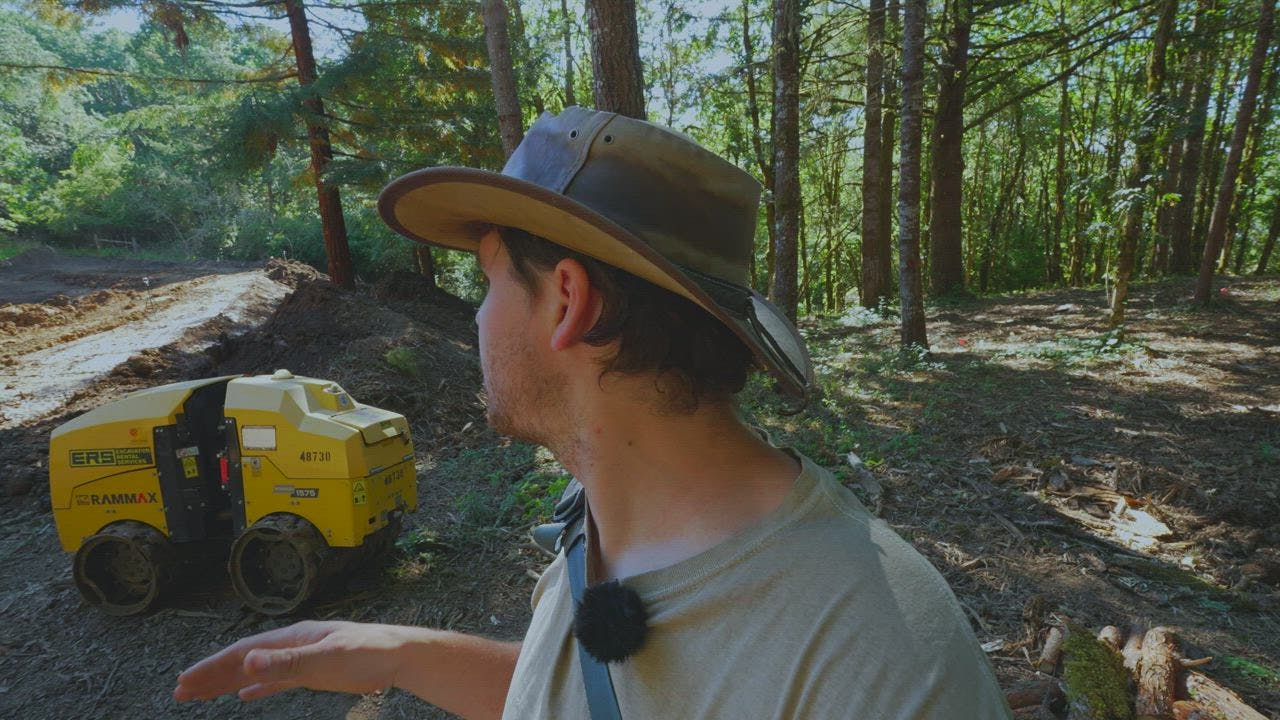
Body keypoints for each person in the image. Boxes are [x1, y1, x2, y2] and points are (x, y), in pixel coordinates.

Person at [173, 107, 1012, 719]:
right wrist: (405, 654)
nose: (476, 318)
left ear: (567, 300)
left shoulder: (877, 655)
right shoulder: (601, 518)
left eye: (488, 281)